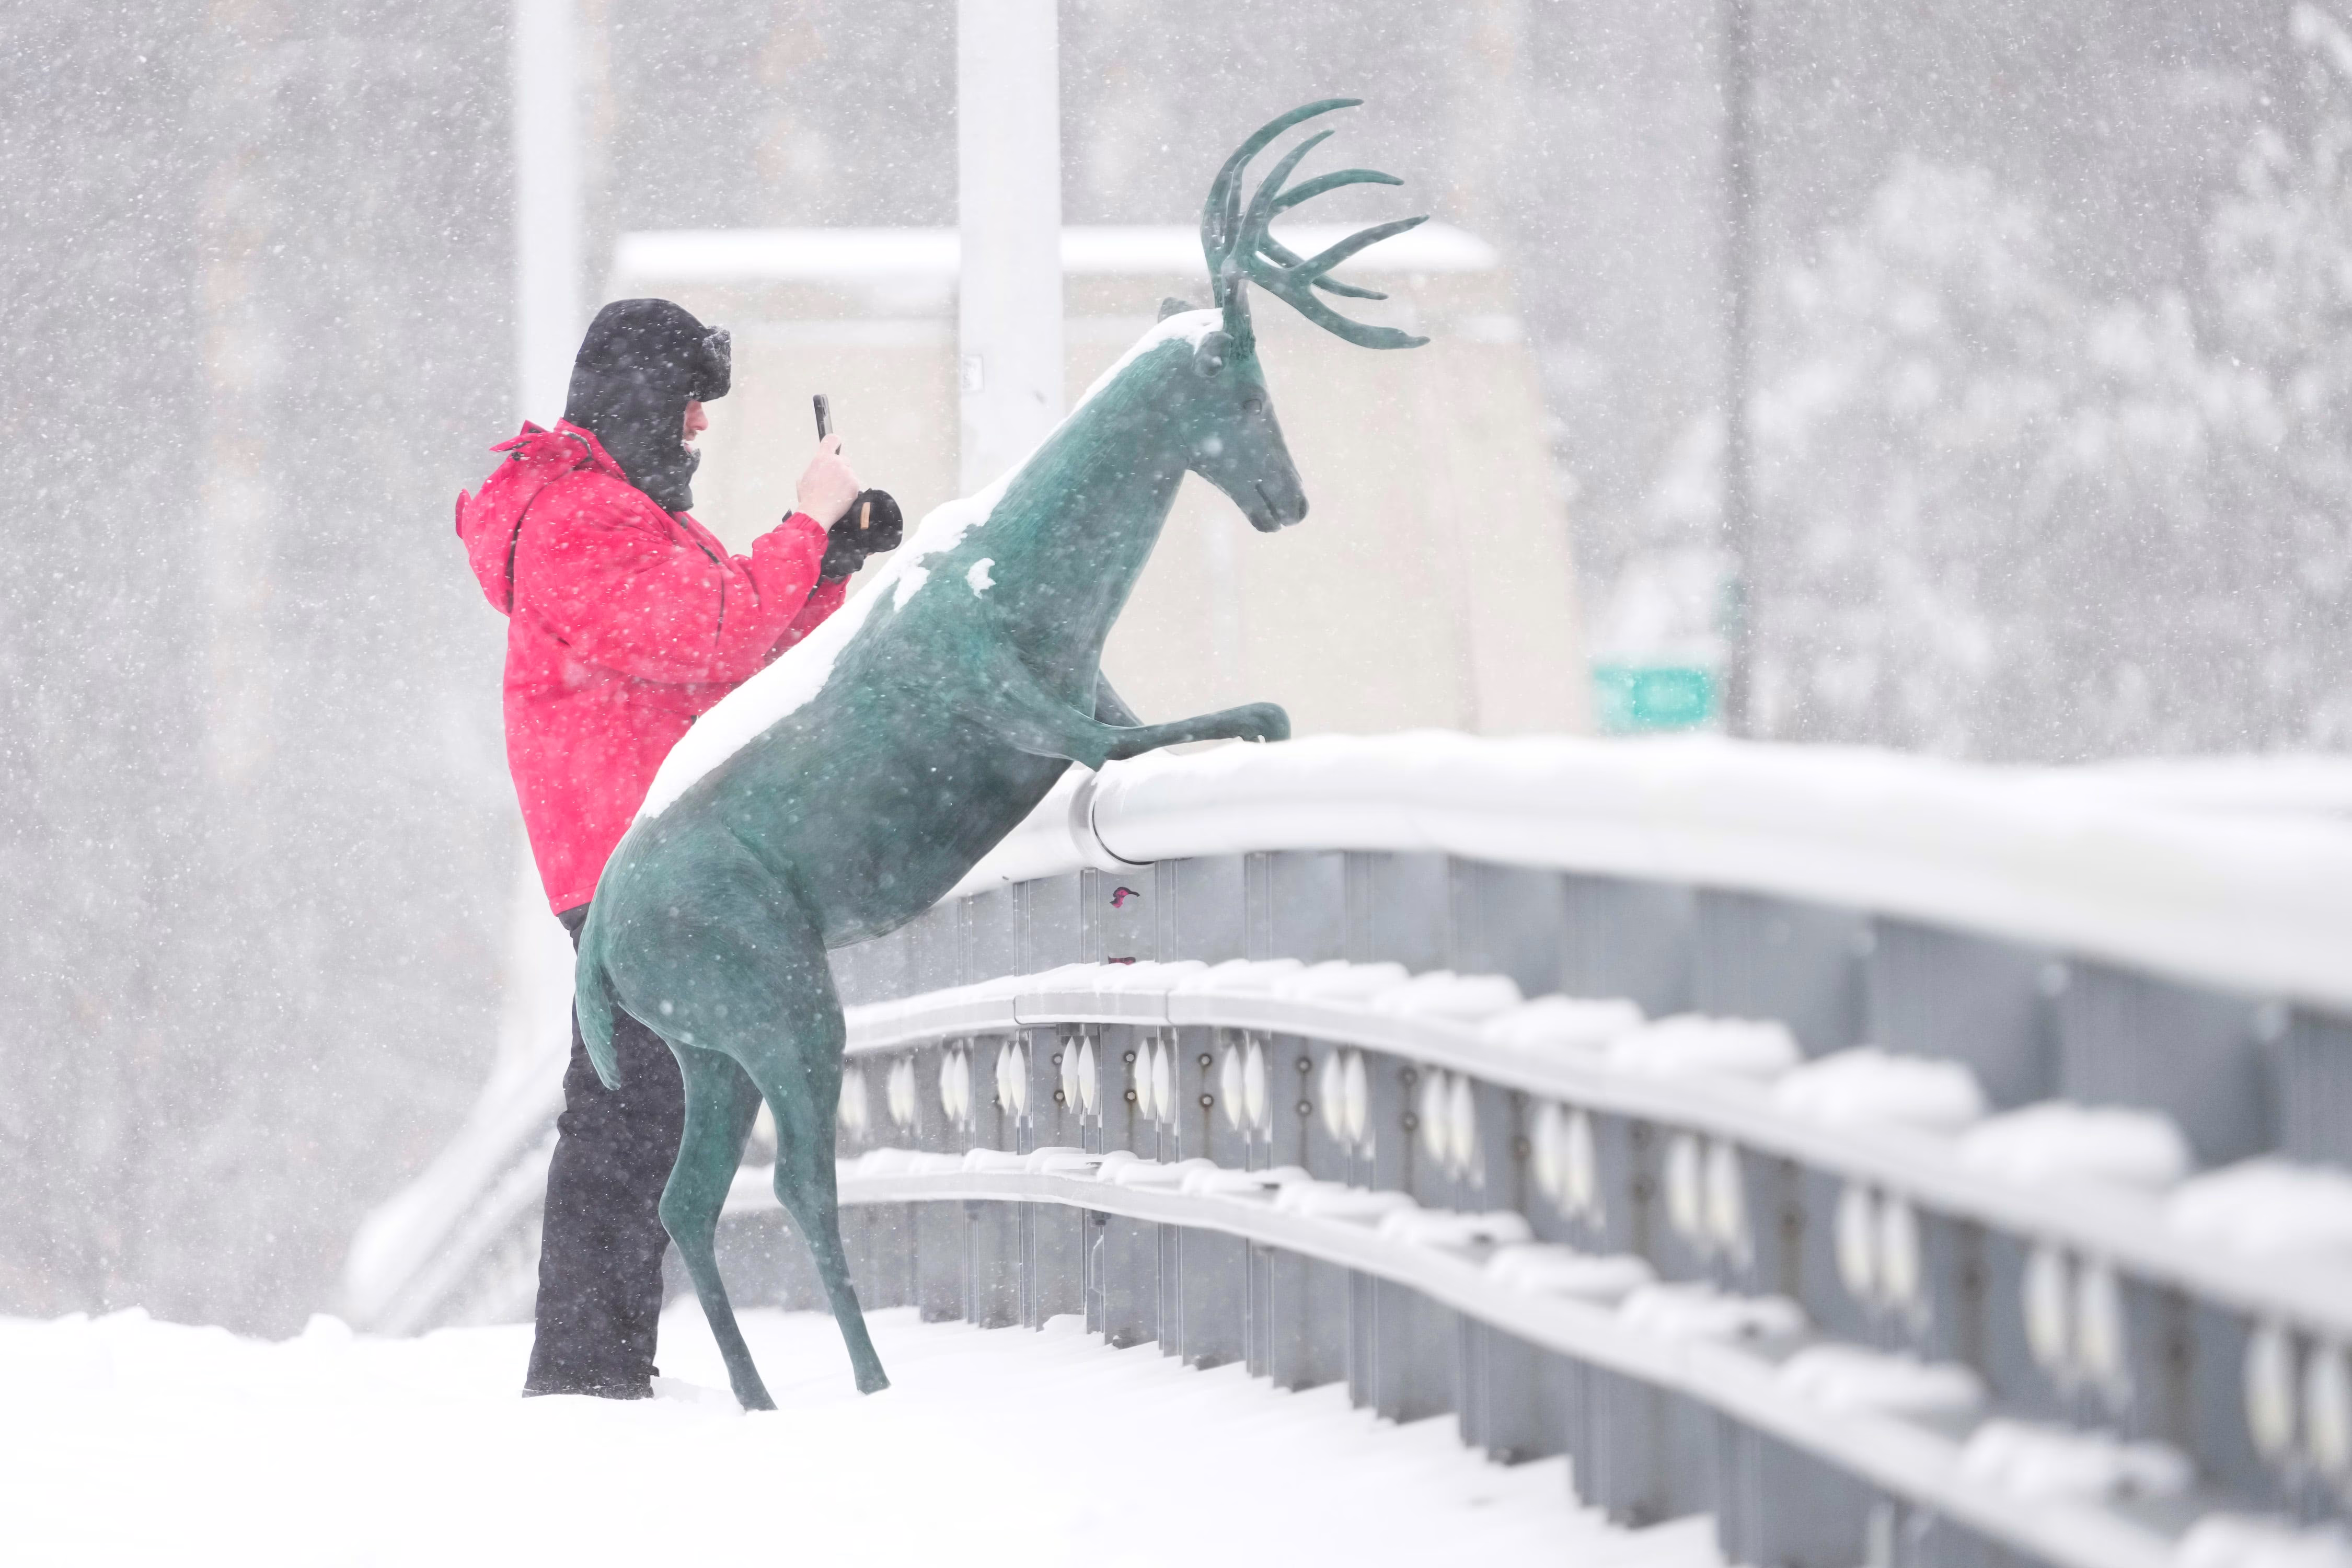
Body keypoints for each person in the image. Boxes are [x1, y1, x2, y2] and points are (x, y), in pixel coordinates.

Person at [456, 297, 896, 1398]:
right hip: (626, 857)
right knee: (631, 1108)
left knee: (641, 1102)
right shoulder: (579, 522)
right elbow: (711, 631)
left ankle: (595, 1371)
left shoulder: (613, 512)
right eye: (692, 404)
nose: (699, 429)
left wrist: (827, 560)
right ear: (649, 400)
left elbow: (721, 655)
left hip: (640, 853)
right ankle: (589, 1376)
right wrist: (802, 523)